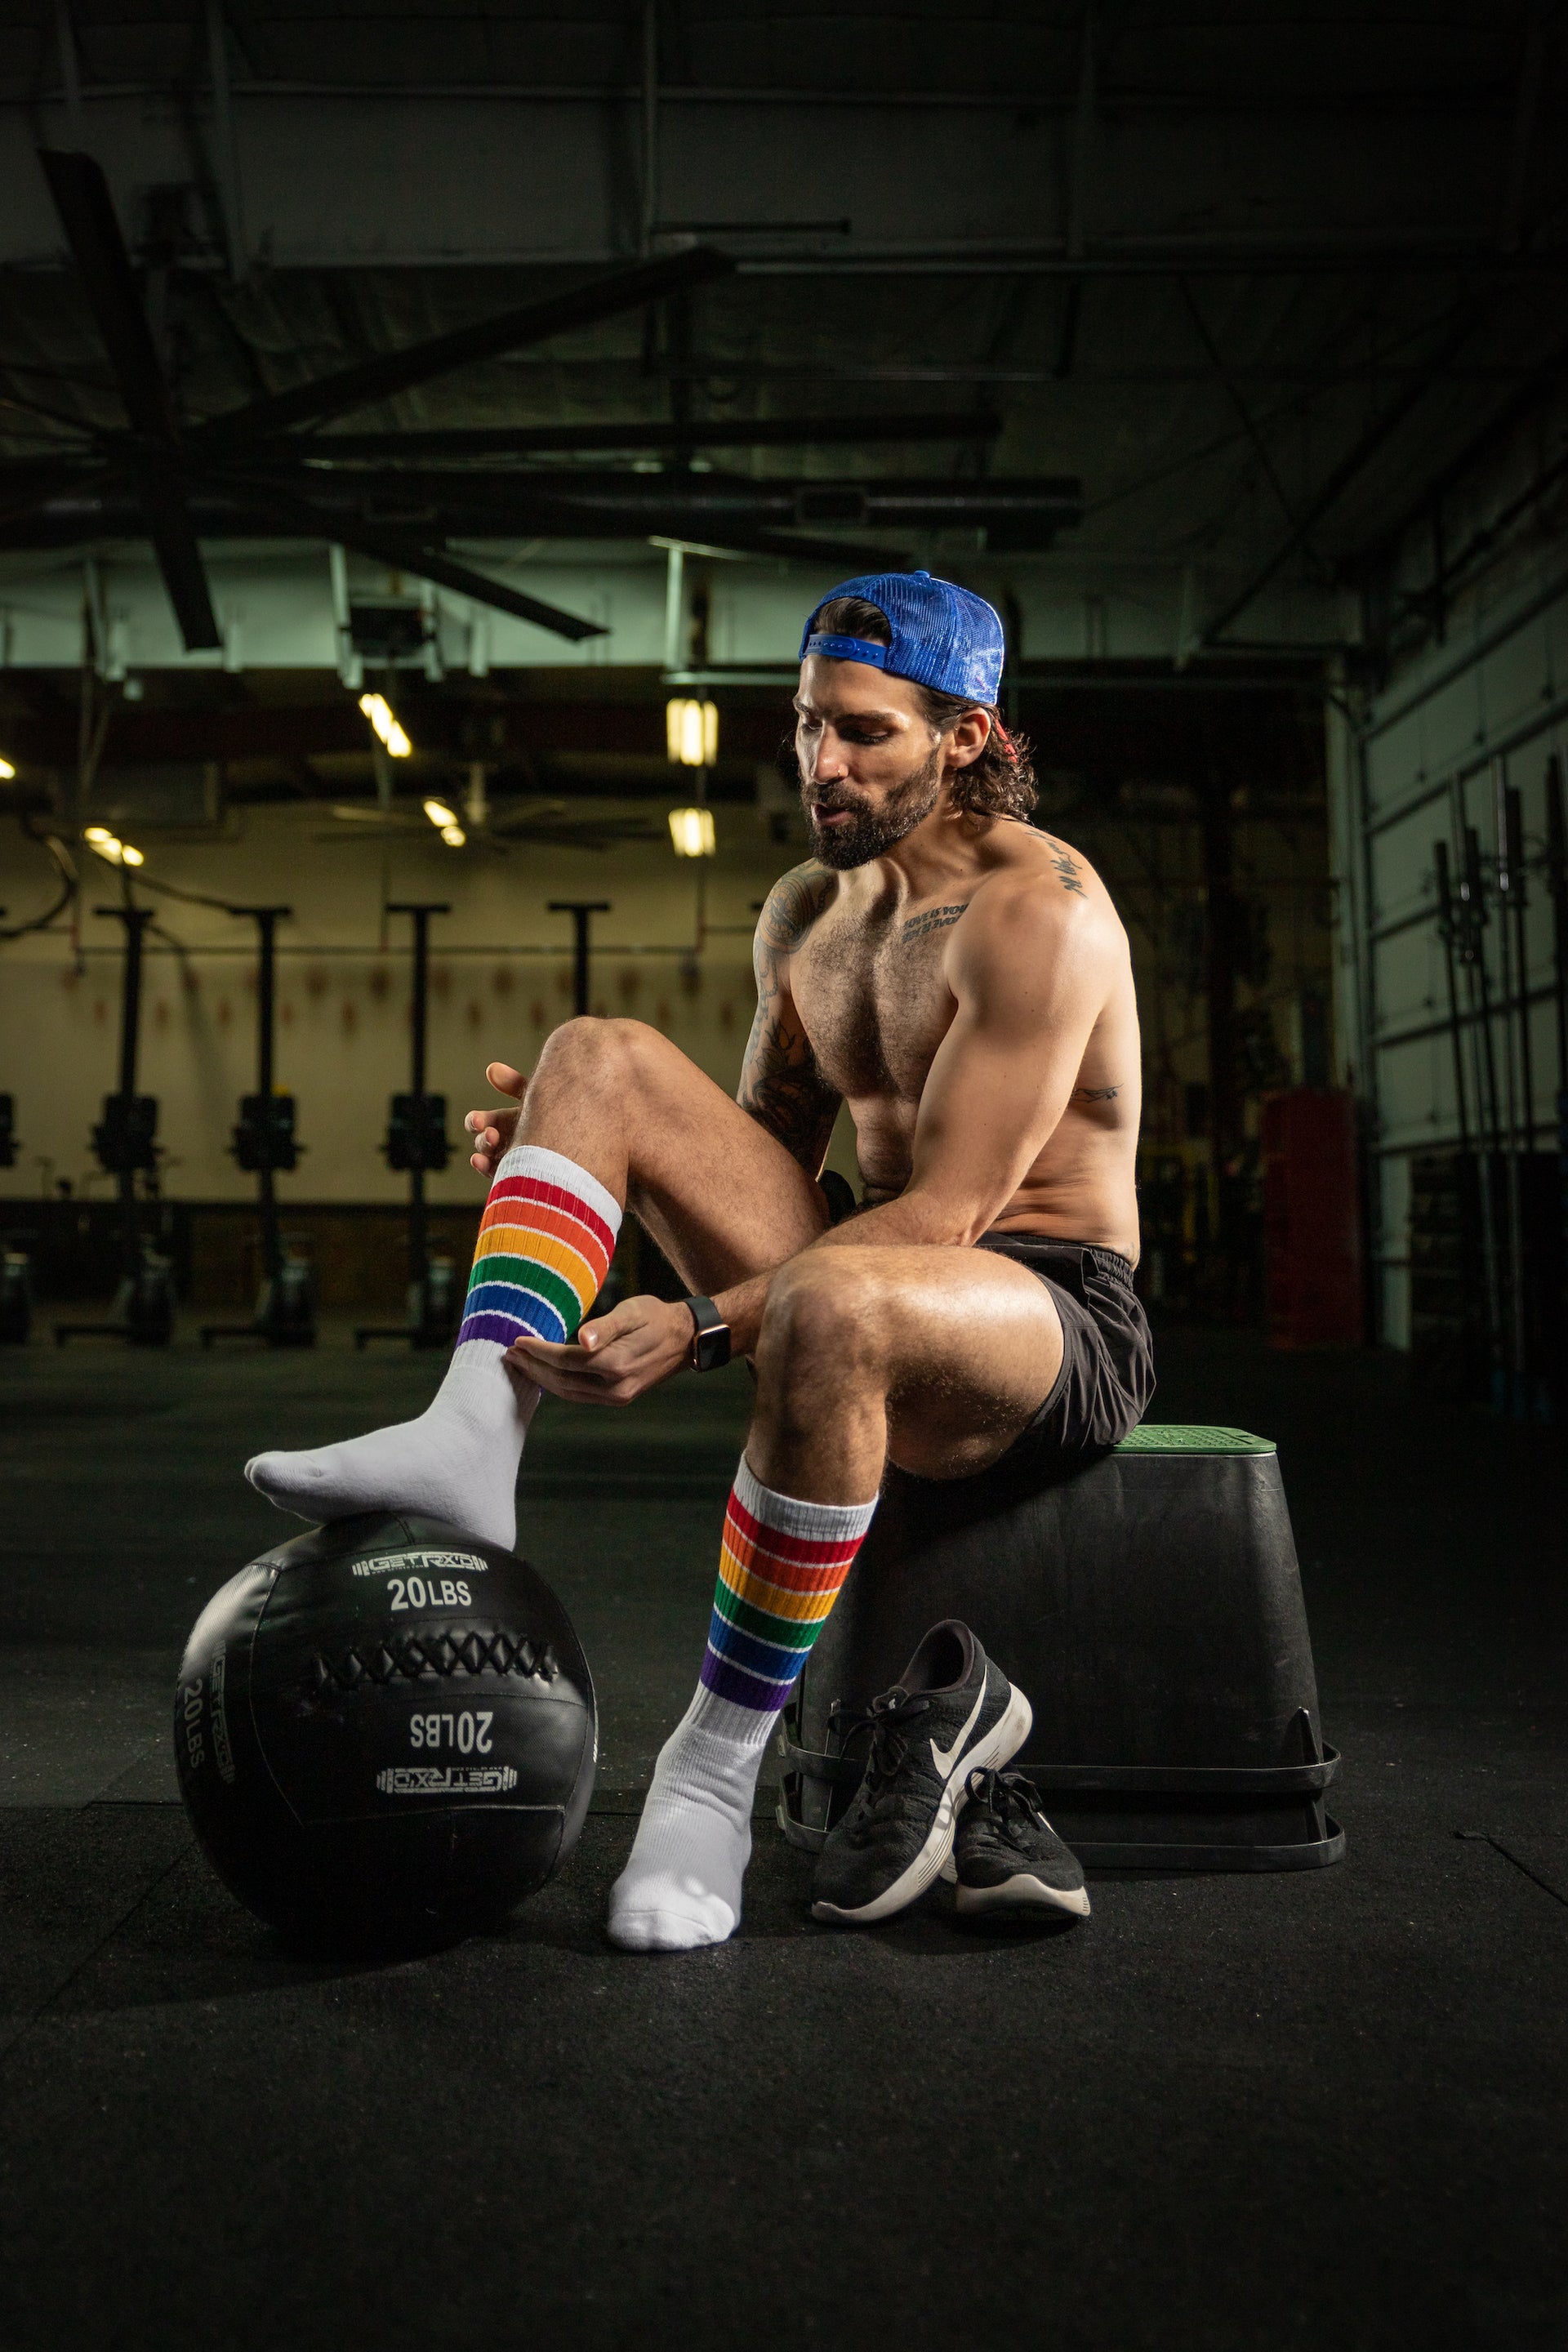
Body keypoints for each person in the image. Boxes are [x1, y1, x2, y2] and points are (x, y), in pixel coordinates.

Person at [246, 569, 1152, 1953]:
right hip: (865, 1261)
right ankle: (471, 1433)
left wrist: (702, 1321)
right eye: (804, 728)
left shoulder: (1044, 915)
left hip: (1042, 1312)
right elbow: (772, 1154)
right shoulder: (807, 912)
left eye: (863, 733)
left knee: (838, 1300)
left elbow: (953, 1215)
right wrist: (580, 1150)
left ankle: (709, 1775)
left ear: (967, 737)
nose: (821, 764)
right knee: (592, 1058)